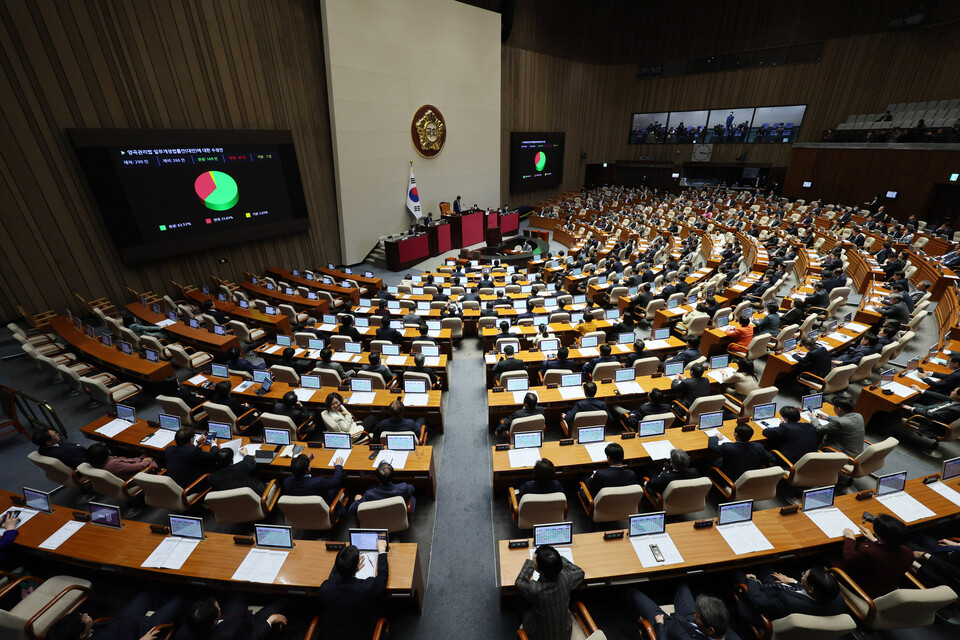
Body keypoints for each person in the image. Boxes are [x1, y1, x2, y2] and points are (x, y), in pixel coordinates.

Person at [318, 539, 389, 640]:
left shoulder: (325, 588)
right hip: (361, 634)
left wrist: (350, 567)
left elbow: (333, 578)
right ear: (357, 567)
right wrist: (382, 551)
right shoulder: (365, 588)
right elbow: (382, 577)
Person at [737, 566, 844, 629]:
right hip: (781, 593)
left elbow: (759, 601)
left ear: (811, 589)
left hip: (762, 607)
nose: (802, 575)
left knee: (737, 572)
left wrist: (752, 581)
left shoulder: (789, 602)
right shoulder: (837, 599)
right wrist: (794, 582)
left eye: (804, 575)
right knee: (767, 568)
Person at [514, 545, 585, 640]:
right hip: (565, 633)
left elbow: (519, 582)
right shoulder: (566, 578)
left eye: (535, 560)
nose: (534, 559)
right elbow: (580, 572)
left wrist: (530, 563)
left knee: (522, 604)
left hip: (540, 636)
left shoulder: (535, 589)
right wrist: (557, 561)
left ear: (541, 571)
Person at [47, 592, 186, 640]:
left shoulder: (69, 634)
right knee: (181, 600)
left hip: (122, 621)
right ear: (82, 635)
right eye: (85, 618)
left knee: (147, 594)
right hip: (144, 630)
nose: (86, 614)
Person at [835, 514, 913, 598]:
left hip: (864, 588)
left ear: (878, 534)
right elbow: (887, 552)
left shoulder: (869, 552)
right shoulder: (907, 551)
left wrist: (850, 538)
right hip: (887, 586)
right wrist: (875, 540)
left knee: (829, 557)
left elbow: (849, 558)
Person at [631, 584, 739, 640]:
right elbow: (696, 616)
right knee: (682, 586)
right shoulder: (721, 624)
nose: (695, 615)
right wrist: (697, 619)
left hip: (666, 625)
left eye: (698, 616)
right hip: (689, 620)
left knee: (634, 593)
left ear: (711, 630)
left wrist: (660, 625)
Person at [176, 596, 286, 640]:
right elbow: (254, 637)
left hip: (230, 619)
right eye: (217, 607)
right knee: (280, 601)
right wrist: (270, 621)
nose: (216, 603)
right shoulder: (229, 634)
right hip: (251, 626)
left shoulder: (184, 632)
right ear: (215, 620)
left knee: (237, 596)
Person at [708, 423, 775, 481]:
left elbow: (712, 447)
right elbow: (771, 459)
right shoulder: (758, 446)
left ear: (736, 435)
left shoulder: (728, 447)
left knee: (713, 461)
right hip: (751, 478)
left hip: (730, 479)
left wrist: (716, 437)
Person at [348, 462, 416, 515]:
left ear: (377, 479)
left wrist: (357, 500)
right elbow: (412, 488)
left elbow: (351, 510)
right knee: (411, 496)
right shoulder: (403, 488)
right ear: (393, 477)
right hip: (397, 518)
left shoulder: (369, 494)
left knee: (370, 487)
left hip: (377, 520)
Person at [85, 442, 157, 481]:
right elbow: (137, 467)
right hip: (137, 477)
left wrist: (142, 457)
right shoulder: (113, 465)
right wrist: (147, 460)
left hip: (129, 470)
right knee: (158, 457)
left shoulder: (98, 462)